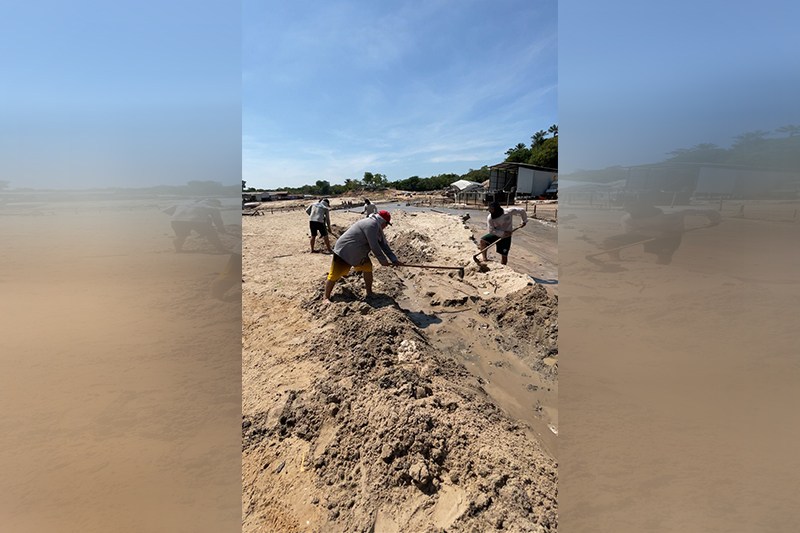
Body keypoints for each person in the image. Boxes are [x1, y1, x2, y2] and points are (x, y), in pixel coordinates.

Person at [602, 201, 722, 264]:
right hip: (643, 234)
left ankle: (660, 269)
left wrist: (714, 221)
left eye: (635, 211)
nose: (632, 213)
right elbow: (632, 231)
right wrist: (660, 234)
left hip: (672, 237)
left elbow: (708, 210)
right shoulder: (627, 218)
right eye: (630, 211)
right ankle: (615, 259)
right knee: (609, 242)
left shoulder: (674, 212)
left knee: (664, 258)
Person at [324, 211, 402, 302]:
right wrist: (382, 261)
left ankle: (369, 292)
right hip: (345, 250)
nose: (386, 227)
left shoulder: (376, 226)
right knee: (334, 274)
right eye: (386, 224)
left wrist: (394, 260)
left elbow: (383, 245)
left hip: (359, 252)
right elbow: (374, 246)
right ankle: (326, 297)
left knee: (368, 268)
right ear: (382, 222)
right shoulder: (371, 225)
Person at [162, 198, 229, 253]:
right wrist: (221, 228)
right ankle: (221, 249)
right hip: (197, 221)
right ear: (215, 204)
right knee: (212, 235)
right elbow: (217, 220)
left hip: (176, 220)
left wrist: (182, 216)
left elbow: (165, 210)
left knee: (180, 236)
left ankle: (178, 250)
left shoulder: (180, 203)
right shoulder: (213, 208)